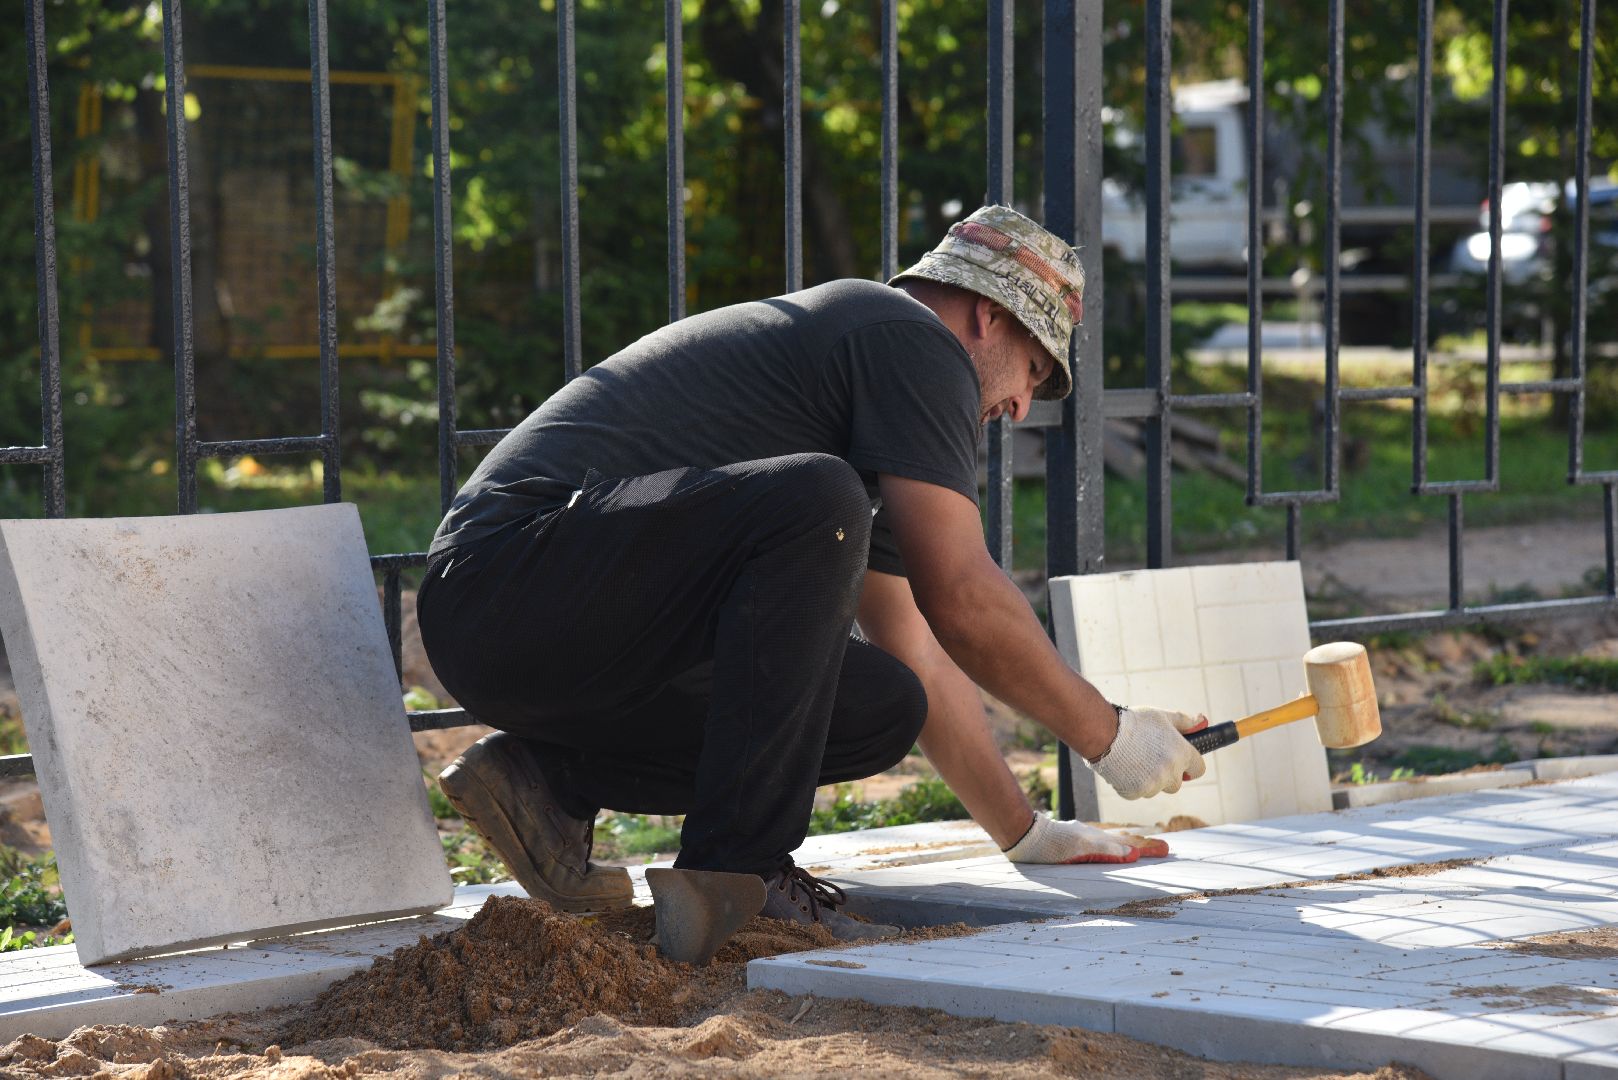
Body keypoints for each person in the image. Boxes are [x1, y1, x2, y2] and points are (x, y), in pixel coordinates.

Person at [417, 205, 1206, 942]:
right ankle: (739, 877)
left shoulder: (871, 399)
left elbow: (918, 647)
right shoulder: (911, 340)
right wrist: (1114, 736)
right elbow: (963, 598)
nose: (1021, 406)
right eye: (1032, 370)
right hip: (503, 583)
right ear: (987, 316)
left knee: (884, 702)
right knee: (816, 493)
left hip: (551, 620)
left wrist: (1027, 832)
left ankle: (549, 781)